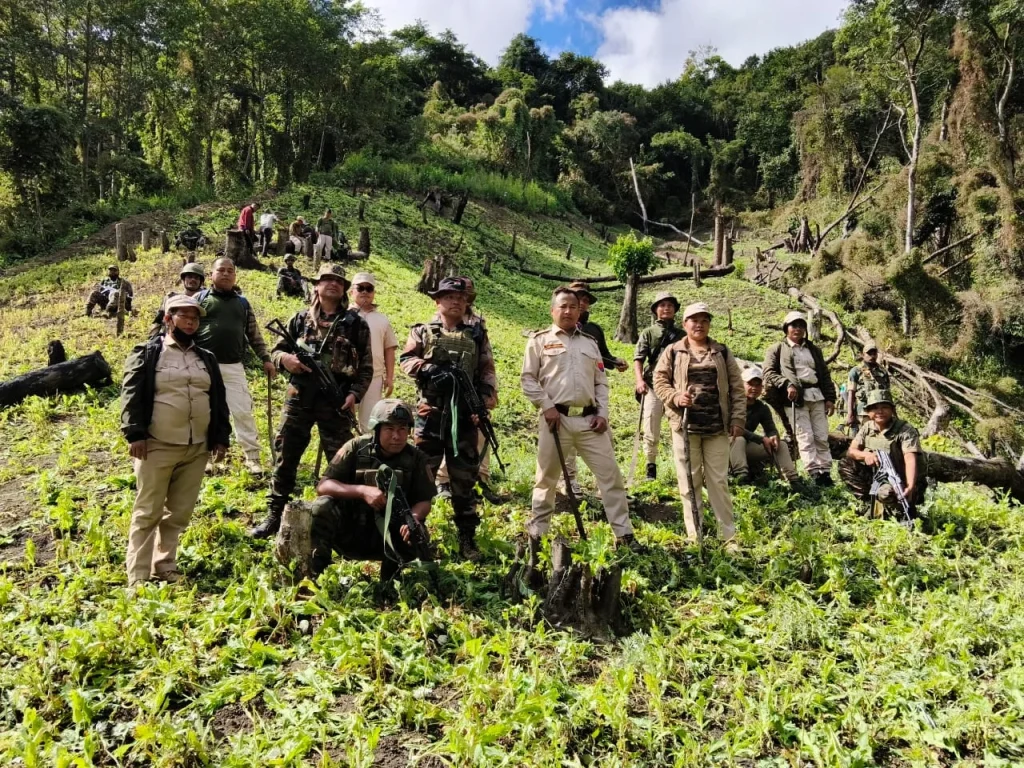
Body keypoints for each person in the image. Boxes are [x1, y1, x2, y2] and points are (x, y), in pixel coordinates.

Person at [249, 264, 373, 539]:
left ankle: (343, 522)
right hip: (299, 398)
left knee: (341, 461)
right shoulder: (299, 319)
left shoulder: (356, 324)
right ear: (316, 286)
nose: (333, 284)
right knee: (286, 456)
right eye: (327, 279)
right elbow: (276, 351)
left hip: (336, 401)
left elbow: (366, 367)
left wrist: (354, 395)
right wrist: (286, 361)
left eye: (339, 281)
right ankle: (274, 513)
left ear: (344, 289)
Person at [120, 294, 231, 586]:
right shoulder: (148, 353)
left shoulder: (205, 358)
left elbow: (217, 399)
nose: (192, 323)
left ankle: (165, 564)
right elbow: (131, 395)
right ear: (169, 319)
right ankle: (138, 577)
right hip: (157, 445)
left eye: (195, 318)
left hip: (196, 448)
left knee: (179, 512)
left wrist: (221, 437)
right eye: (185, 317)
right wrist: (135, 433)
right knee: (148, 511)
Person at [521, 287, 638, 550]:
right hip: (555, 421)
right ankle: (538, 532)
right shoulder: (538, 341)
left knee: (611, 477)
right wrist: (546, 405)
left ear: (580, 311)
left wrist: (603, 413)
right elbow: (528, 380)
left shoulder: (590, 343)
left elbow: (601, 383)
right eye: (562, 306)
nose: (568, 311)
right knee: (546, 478)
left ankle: (624, 534)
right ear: (552, 310)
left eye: (573, 307)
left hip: (589, 423)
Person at [399, 277, 497, 560]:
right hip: (430, 416)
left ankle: (467, 538)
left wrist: (484, 403)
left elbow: (486, 370)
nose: (456, 301)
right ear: (437, 301)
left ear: (467, 302)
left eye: (461, 297)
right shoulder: (422, 331)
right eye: (449, 296)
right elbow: (406, 359)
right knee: (420, 477)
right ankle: (413, 535)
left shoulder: (477, 334)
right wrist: (427, 369)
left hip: (465, 418)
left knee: (464, 482)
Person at [309, 399, 435, 583]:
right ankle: (316, 573)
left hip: (389, 537)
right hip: (350, 531)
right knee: (322, 506)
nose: (396, 436)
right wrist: (362, 491)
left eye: (402, 429)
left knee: (417, 532)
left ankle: (391, 577)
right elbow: (324, 486)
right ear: (377, 429)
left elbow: (425, 500)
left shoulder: (416, 459)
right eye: (389, 429)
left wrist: (413, 518)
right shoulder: (355, 447)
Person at [653, 302, 745, 546]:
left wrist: (737, 418)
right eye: (694, 320)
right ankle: (696, 537)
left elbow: (737, 387)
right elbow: (659, 380)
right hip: (685, 428)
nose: (699, 324)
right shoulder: (674, 351)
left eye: (704, 320)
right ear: (685, 324)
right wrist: (675, 396)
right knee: (689, 482)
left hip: (716, 428)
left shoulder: (721, 352)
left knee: (718, 482)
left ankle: (728, 537)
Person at [195, 257, 276, 475]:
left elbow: (254, 334)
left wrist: (266, 359)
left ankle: (252, 457)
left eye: (230, 270)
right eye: (221, 270)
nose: (226, 274)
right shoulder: (200, 299)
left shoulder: (242, 303)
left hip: (233, 366)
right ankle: (207, 457)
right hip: (203, 366)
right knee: (205, 412)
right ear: (211, 274)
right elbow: (186, 328)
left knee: (242, 410)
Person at [434, 277, 501, 504]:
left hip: (471, 395)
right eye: (454, 295)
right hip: (441, 395)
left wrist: (487, 396)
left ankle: (478, 481)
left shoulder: (477, 325)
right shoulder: (437, 322)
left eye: (464, 296)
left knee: (478, 438)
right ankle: (442, 481)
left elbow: (487, 363)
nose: (459, 300)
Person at [763, 312, 837, 486]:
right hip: (795, 398)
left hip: (816, 395)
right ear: (786, 328)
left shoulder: (814, 349)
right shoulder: (777, 349)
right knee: (805, 436)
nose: (797, 329)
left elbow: (824, 375)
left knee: (821, 435)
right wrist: (787, 384)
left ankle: (825, 472)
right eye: (793, 325)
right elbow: (768, 372)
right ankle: (813, 472)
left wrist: (830, 398)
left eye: (801, 325)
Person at [839, 390, 925, 519]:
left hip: (898, 478)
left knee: (886, 493)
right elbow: (851, 451)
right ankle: (869, 502)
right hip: (876, 475)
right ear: (868, 412)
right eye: (875, 408)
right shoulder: (867, 427)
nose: (880, 411)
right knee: (846, 464)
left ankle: (898, 511)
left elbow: (910, 459)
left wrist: (910, 486)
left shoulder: (905, 430)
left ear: (892, 410)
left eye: (884, 407)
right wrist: (866, 456)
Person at [633, 291, 683, 480]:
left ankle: (681, 465)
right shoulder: (648, 333)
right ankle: (650, 466)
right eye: (662, 305)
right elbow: (639, 359)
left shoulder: (682, 335)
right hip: (652, 385)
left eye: (670, 305)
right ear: (655, 310)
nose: (666, 308)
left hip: (675, 388)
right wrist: (639, 381)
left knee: (678, 427)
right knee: (650, 426)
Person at [729, 366, 803, 487]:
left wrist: (773, 436)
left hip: (747, 447)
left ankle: (793, 480)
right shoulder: (731, 403)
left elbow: (770, 428)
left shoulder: (762, 407)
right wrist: (760, 439)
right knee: (738, 439)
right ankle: (741, 479)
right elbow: (734, 429)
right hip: (726, 446)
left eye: (758, 385)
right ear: (741, 384)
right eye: (750, 384)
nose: (754, 388)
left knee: (782, 445)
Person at [350, 272, 399, 432]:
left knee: (369, 424)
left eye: (368, 288)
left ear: (374, 293)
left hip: (374, 377)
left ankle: (366, 454)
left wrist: (389, 378)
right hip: (347, 376)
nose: (364, 292)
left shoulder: (382, 320)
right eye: (360, 288)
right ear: (352, 291)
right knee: (344, 422)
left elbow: (389, 349)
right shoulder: (343, 316)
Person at [150, 262, 206, 338]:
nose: (193, 280)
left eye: (196, 278)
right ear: (183, 279)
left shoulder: (205, 298)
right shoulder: (171, 298)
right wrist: (152, 338)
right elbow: (158, 321)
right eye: (189, 277)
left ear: (201, 281)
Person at [846, 341, 890, 429]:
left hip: (880, 412)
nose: (872, 356)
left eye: (874, 353)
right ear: (863, 355)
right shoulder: (856, 371)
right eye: (869, 353)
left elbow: (888, 394)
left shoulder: (883, 372)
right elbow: (851, 394)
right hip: (864, 411)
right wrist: (850, 414)